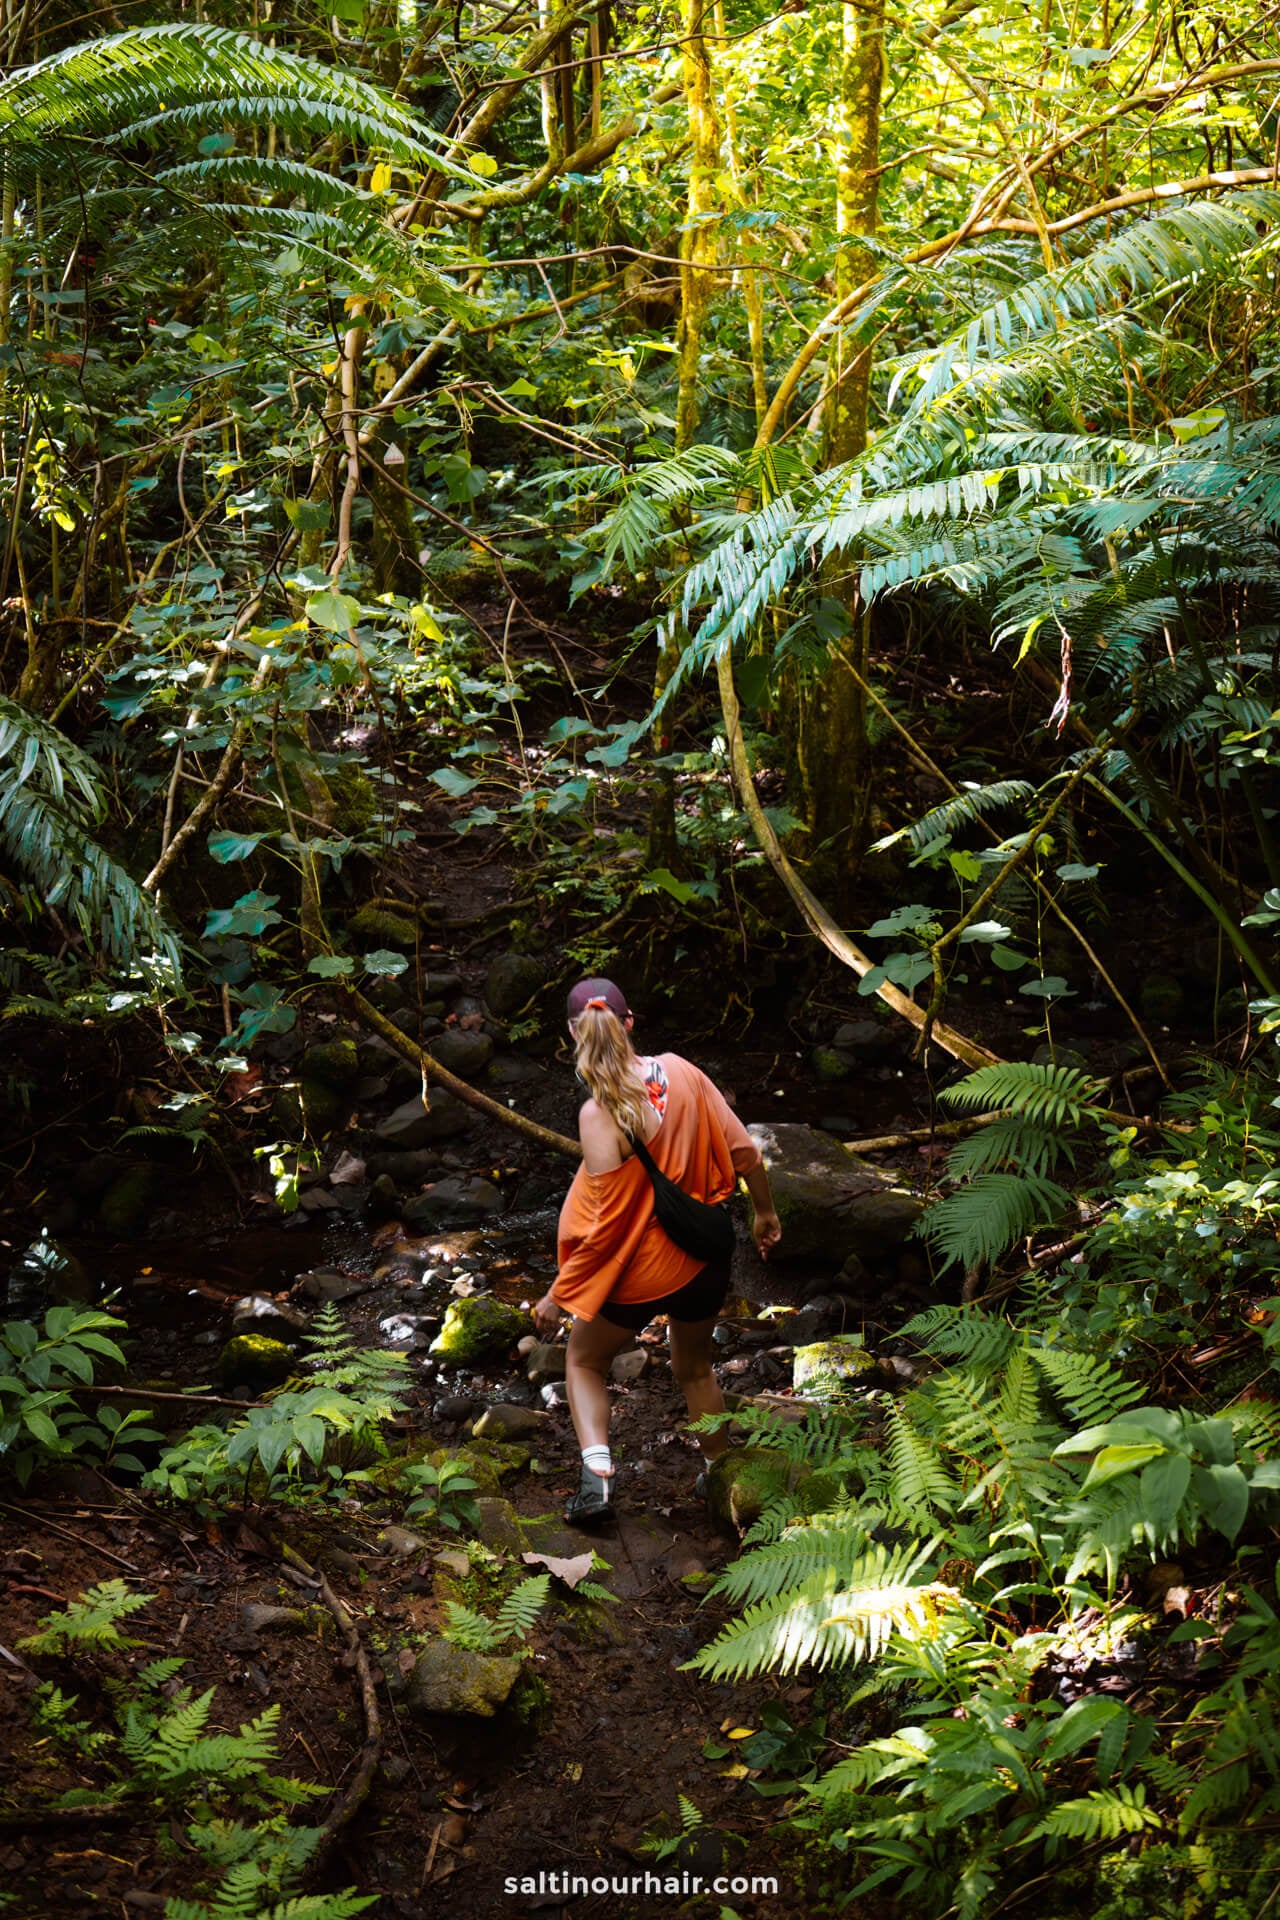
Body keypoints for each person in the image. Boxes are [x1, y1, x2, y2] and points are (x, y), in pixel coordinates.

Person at [532, 977, 781, 1525]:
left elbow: (608, 1224)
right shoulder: (683, 1071)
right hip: (704, 1255)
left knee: (583, 1359)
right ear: (630, 1022)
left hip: (644, 1270)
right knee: (695, 1369)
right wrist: (764, 1213)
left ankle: (596, 1481)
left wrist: (559, 1293)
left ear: (572, 1034)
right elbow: (746, 1153)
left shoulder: (599, 1115)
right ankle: (721, 1477)